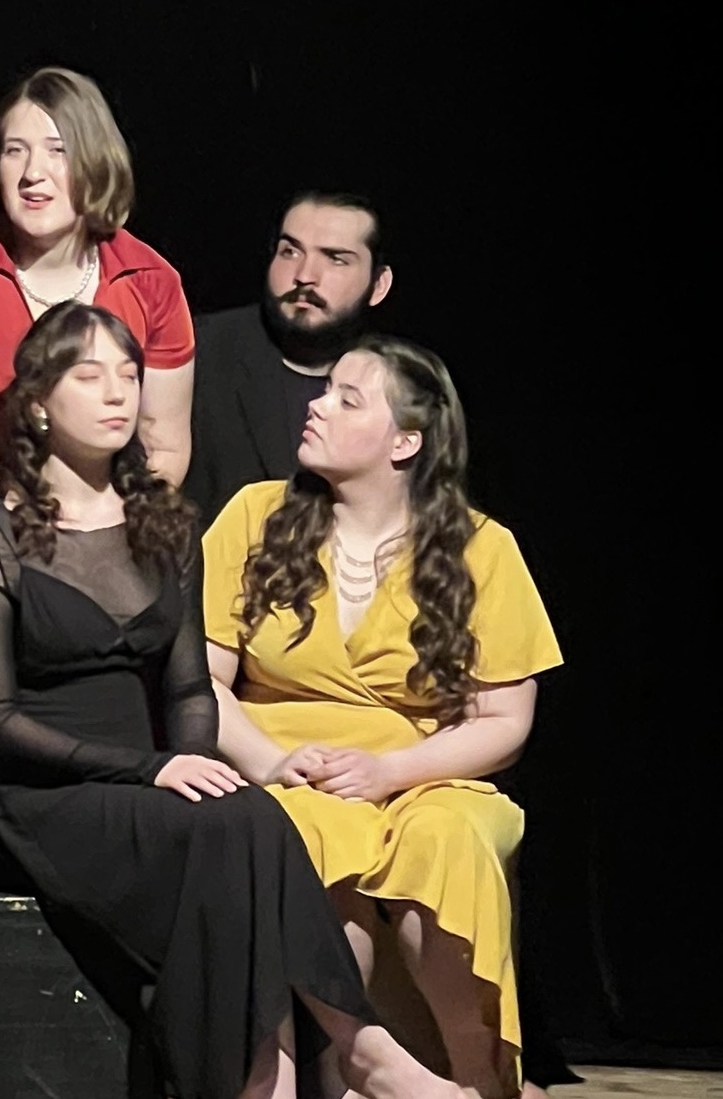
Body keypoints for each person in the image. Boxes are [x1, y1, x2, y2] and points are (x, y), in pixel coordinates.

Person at [0, 304, 458, 1099]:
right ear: (37, 404)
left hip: (157, 782)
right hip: (49, 795)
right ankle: (354, 1049)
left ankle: (289, 1073)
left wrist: (193, 763)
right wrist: (151, 770)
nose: (118, 393)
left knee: (247, 813)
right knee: (240, 823)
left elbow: (190, 685)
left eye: (129, 374)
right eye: (89, 376)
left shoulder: (165, 524)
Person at [203, 336, 562, 1098]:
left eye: (347, 398)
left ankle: (479, 1079)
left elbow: (505, 718)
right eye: (324, 390)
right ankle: (355, 1062)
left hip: (425, 773)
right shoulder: (255, 515)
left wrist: (391, 771)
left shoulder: (482, 547)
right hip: (292, 765)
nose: (317, 406)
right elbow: (201, 681)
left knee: (449, 841)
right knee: (297, 825)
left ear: (406, 441)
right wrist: (270, 761)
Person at [0, 67, 195, 518]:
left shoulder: (150, 280)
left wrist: (110, 519)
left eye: (58, 151)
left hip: (115, 517)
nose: (33, 173)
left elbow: (164, 448)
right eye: (15, 151)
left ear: (96, 161)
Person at [183, 192, 391, 524]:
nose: (305, 275)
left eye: (335, 259)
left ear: (379, 285)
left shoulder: (396, 383)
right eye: (290, 251)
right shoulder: (199, 351)